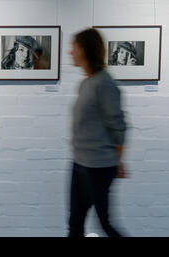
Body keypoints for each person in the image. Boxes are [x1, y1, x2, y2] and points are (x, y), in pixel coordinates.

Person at [68, 28, 128, 237]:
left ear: (85, 49)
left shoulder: (105, 84)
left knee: (105, 224)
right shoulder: (85, 83)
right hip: (79, 164)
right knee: (75, 222)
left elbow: (118, 127)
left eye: (74, 46)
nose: (70, 52)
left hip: (98, 168)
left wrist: (117, 161)